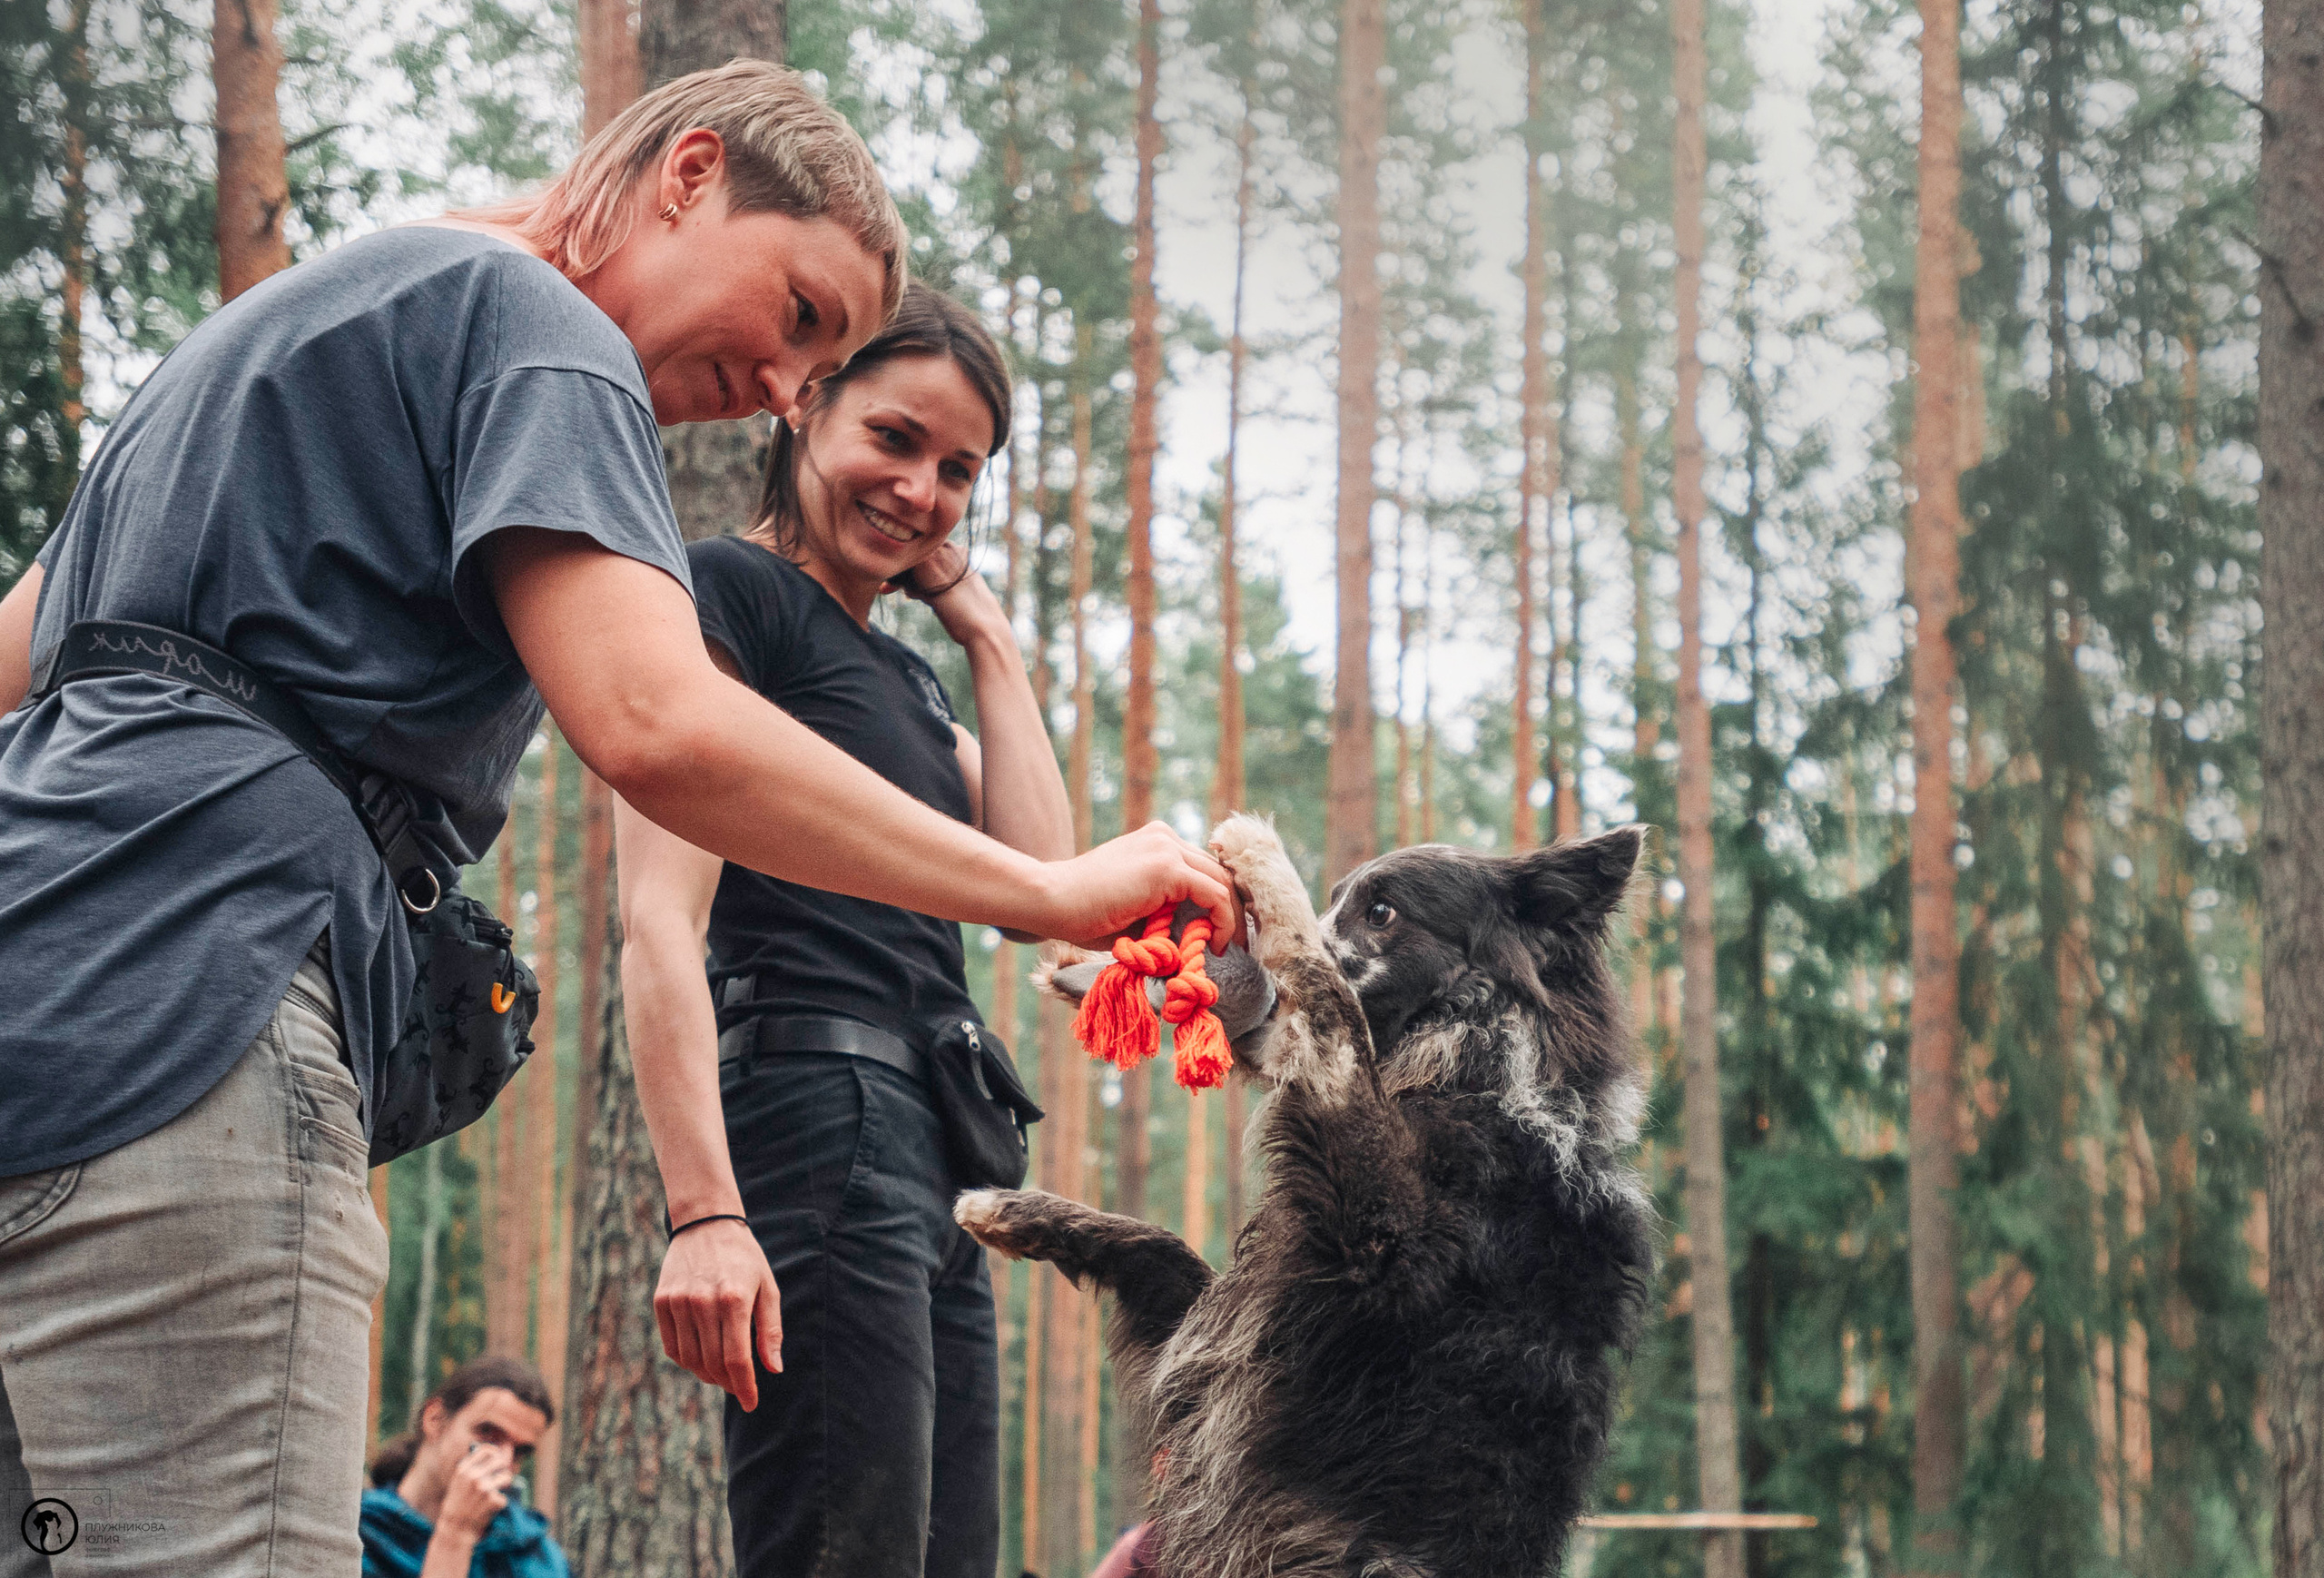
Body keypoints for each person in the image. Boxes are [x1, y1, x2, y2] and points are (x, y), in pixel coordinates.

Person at [0, 60, 1234, 1578]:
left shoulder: (259, 344)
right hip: (211, 1012)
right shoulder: (541, 322)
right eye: (800, 317)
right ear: (689, 171)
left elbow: (17, 657)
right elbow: (652, 724)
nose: (787, 390)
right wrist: (1050, 898)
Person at [616, 281, 1058, 1578]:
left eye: (961, 471)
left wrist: (979, 627)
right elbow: (659, 916)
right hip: (815, 1114)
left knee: (943, 1557)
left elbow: (1038, 871)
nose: (922, 490)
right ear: (806, 403)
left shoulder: (911, 679)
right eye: (897, 438)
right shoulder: (727, 596)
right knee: (842, 1553)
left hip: (941, 1151)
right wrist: (703, 1211)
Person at [360, 1356, 566, 1578]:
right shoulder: (361, 1531)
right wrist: (455, 1533)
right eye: (488, 1433)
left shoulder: (534, 1555)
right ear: (435, 1419)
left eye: (520, 1452)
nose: (505, 1463)